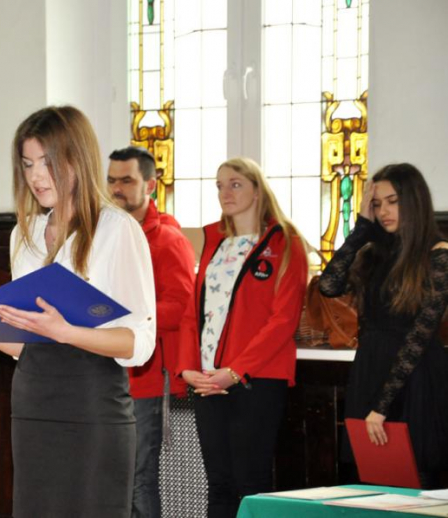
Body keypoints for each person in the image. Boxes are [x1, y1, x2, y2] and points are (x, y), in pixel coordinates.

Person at [0, 106, 156, 517]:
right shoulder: (26, 235)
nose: (37, 176)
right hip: (34, 403)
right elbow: (28, 346)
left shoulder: (116, 229)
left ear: (78, 159)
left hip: (93, 405)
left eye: (48, 162)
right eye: (28, 165)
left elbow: (140, 343)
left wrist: (68, 331)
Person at [176, 157, 308, 518]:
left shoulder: (286, 242)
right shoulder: (215, 242)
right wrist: (188, 369)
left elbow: (283, 321)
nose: (225, 193)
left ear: (257, 189)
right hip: (207, 380)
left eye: (235, 184)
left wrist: (235, 372)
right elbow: (194, 314)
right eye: (219, 185)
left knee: (250, 485)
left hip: (256, 380)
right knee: (218, 484)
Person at [319, 163, 448, 488]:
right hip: (370, 369)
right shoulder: (375, 254)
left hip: (415, 379)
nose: (384, 210)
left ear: (413, 200)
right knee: (370, 485)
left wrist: (381, 406)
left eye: (393, 201)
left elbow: (419, 337)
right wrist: (361, 227)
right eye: (377, 204)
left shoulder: (439, 255)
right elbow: (328, 285)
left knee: (415, 485)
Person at [107, 145, 195, 518]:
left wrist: (123, 315)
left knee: (138, 478)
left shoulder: (168, 240)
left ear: (151, 185)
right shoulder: (105, 234)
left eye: (126, 180)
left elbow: (181, 308)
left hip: (142, 380)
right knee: (111, 479)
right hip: (104, 373)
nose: (116, 189)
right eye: (111, 181)